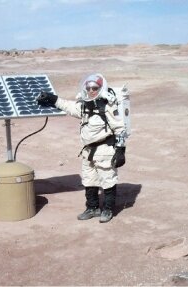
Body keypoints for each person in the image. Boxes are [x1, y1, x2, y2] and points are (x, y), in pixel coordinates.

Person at [36, 73, 126, 223]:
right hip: (88, 151)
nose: (91, 90)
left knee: (108, 180)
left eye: (95, 88)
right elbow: (69, 107)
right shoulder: (84, 106)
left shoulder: (108, 106)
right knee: (89, 180)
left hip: (104, 150)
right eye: (89, 87)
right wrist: (53, 99)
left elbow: (120, 128)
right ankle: (92, 208)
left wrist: (121, 151)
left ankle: (108, 210)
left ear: (100, 88)